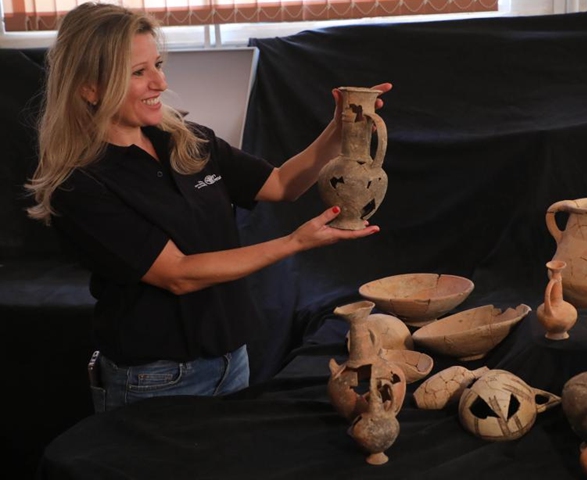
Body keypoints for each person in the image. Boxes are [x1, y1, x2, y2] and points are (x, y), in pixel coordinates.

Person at [25, 2, 389, 413]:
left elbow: (282, 183)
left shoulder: (187, 140)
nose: (160, 82)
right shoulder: (80, 184)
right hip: (155, 378)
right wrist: (294, 243)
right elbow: (179, 274)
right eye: (138, 72)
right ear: (88, 88)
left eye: (158, 64)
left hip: (233, 359)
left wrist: (340, 127)